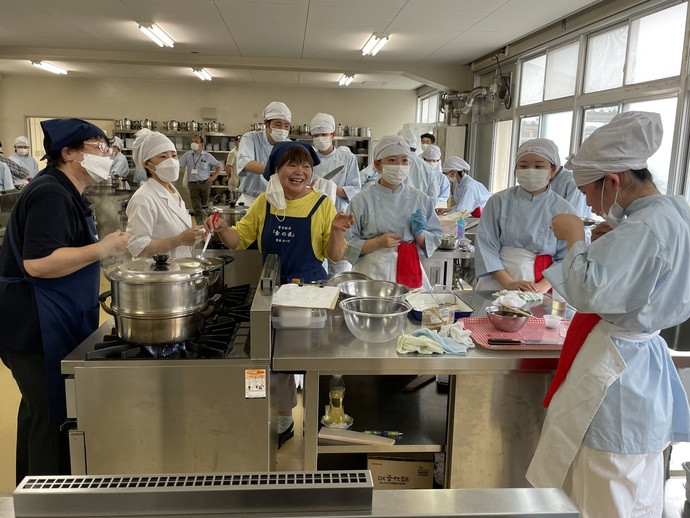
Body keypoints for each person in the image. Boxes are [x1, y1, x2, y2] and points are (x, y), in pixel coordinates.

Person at [526, 111, 690, 518]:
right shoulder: (673, 213)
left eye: (588, 193)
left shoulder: (641, 230)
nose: (588, 203)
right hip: (645, 362)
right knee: (638, 491)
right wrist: (613, 241)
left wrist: (575, 238)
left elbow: (586, 293)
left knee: (602, 488)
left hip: (617, 371)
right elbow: (650, 273)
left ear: (612, 181)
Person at [0, 118, 129, 484]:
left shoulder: (66, 191)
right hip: (36, 325)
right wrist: (104, 247)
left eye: (107, 147)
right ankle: (47, 498)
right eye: (98, 147)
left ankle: (30, 490)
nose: (107, 154)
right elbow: (38, 264)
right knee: (51, 416)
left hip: (52, 318)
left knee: (37, 411)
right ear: (68, 153)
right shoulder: (51, 194)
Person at [205, 141, 354, 447]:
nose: (300, 172)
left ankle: (320, 419)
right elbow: (238, 241)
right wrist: (221, 229)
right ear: (276, 169)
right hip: (272, 293)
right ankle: (284, 418)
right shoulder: (264, 203)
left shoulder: (323, 203)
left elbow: (335, 256)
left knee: (313, 358)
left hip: (311, 294)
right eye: (292, 165)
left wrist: (337, 229)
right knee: (276, 360)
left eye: (307, 167)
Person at [474, 138, 575, 293]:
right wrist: (508, 283)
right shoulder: (499, 201)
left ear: (552, 171)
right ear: (516, 169)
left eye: (539, 166)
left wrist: (544, 286)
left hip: (541, 282)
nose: (530, 170)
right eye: (523, 166)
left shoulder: (563, 208)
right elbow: (486, 245)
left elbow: (567, 256)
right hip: (497, 278)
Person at [345, 135, 442, 289]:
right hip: (372, 270)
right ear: (377, 165)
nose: (399, 165)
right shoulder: (361, 200)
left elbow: (434, 240)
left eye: (404, 160)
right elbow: (347, 244)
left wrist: (418, 233)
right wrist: (378, 242)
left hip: (409, 265)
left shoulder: (421, 199)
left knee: (412, 309)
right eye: (391, 160)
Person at [126, 129, 206, 259]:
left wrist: (197, 233)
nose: (171, 161)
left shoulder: (172, 191)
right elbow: (136, 247)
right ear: (147, 164)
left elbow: (177, 228)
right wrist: (179, 240)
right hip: (156, 275)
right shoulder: (143, 198)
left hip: (177, 271)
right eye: (163, 157)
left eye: (173, 156)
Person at [309, 113, 361, 274]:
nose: (320, 138)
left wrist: (332, 187)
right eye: (316, 135)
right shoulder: (308, 157)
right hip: (313, 217)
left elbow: (355, 189)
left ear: (333, 135)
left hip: (340, 217)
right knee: (317, 261)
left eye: (323, 134)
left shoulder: (347, 158)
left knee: (340, 266)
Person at [236, 101, 292, 206]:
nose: (282, 129)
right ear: (266, 123)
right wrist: (275, 170)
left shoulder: (290, 146)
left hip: (278, 201)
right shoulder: (251, 138)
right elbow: (245, 162)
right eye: (278, 124)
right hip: (251, 200)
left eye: (286, 126)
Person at [179, 134, 222, 224]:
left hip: (205, 183)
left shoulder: (207, 156)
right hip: (193, 184)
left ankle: (207, 222)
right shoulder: (187, 155)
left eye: (196, 142)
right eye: (192, 141)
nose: (193, 144)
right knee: (196, 206)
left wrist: (213, 177)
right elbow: (179, 165)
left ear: (201, 145)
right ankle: (200, 224)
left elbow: (219, 166)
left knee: (204, 206)